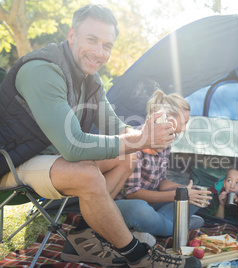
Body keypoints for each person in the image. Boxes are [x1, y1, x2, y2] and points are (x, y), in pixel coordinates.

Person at [0, 4, 200, 268]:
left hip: (47, 157)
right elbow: (73, 147)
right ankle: (137, 257)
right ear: (72, 35)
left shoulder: (92, 81)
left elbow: (117, 129)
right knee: (87, 172)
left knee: (127, 157)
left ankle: (85, 236)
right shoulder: (42, 70)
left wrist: (145, 135)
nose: (99, 52)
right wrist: (140, 140)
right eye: (91, 40)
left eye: (107, 45)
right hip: (12, 160)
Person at [115, 89, 211, 239]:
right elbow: (133, 194)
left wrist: (184, 191)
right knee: (140, 210)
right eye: (183, 123)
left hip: (152, 203)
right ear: (168, 120)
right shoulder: (135, 142)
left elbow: (160, 181)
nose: (184, 129)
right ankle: (179, 226)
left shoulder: (166, 142)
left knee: (198, 194)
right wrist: (177, 195)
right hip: (129, 204)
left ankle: (154, 226)